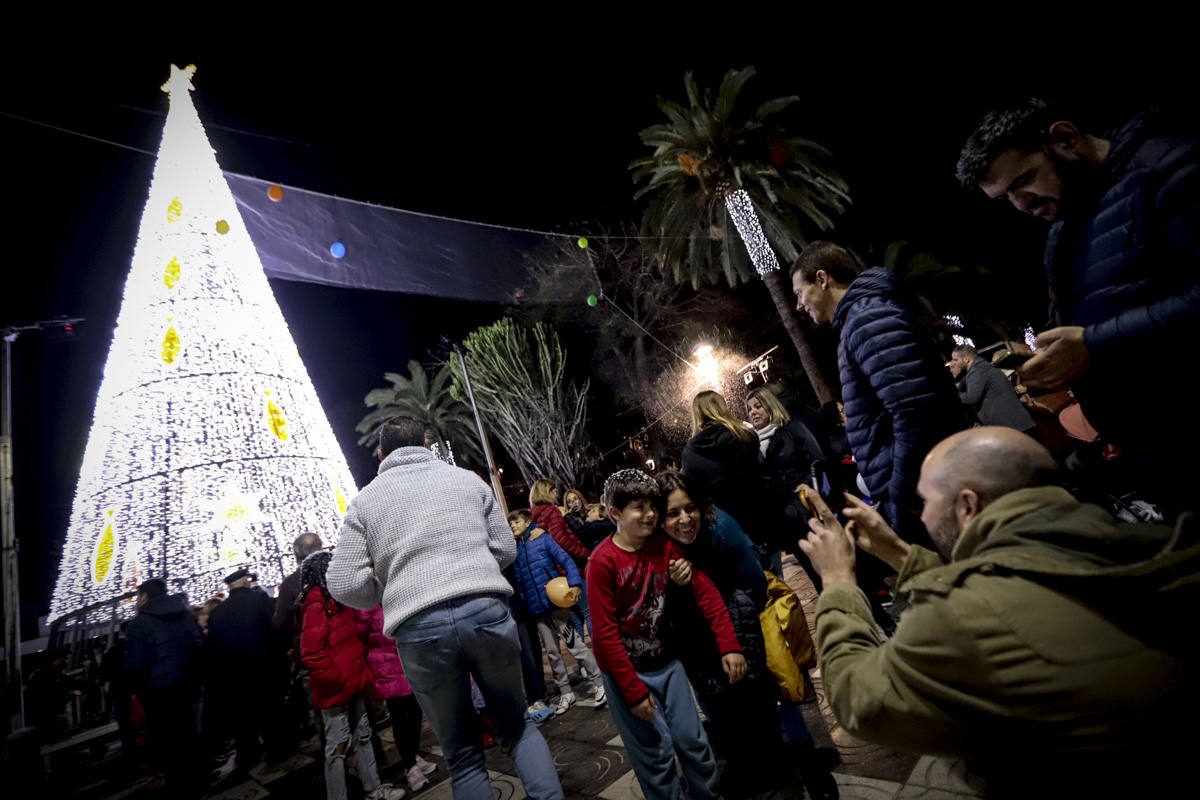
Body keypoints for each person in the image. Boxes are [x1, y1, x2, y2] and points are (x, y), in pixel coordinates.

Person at [797, 426, 1200, 797]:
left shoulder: (963, 619)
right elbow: (1011, 580)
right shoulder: (1123, 537)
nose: (922, 515)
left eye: (926, 502)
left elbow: (860, 700)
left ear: (968, 505)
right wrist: (900, 553)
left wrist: (837, 579)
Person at [956, 98, 1199, 512]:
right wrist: (1051, 362)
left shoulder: (1168, 169)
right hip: (1156, 456)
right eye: (1006, 196)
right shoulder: (1062, 230)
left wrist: (1095, 345)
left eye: (1024, 180)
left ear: (1065, 138)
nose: (1021, 204)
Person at [327, 415, 563, 800]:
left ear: (382, 454)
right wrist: (471, 566)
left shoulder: (365, 502)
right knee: (519, 728)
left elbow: (343, 583)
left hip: (420, 629)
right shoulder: (467, 481)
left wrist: (390, 588)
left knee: (463, 755)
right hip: (485, 610)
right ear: (425, 445)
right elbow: (505, 548)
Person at [655, 469, 838, 800]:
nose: (685, 519)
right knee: (721, 712)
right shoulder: (658, 549)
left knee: (777, 698)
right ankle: (751, 768)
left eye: (690, 508)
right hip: (700, 645)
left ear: (701, 506)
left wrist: (735, 634)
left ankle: (810, 769)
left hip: (745, 621)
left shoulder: (721, 529)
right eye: (673, 513)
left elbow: (754, 583)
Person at [791, 242, 967, 549]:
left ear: (822, 279)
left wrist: (899, 495)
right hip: (926, 488)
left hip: (928, 492)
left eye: (798, 293)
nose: (798, 305)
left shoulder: (866, 319)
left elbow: (913, 412)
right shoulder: (861, 319)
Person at [586, 468, 745, 800]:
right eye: (639, 508)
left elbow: (705, 592)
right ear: (615, 512)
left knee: (692, 740)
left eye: (652, 507)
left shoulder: (662, 546)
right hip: (626, 674)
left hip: (667, 664)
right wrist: (633, 692)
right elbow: (605, 636)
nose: (650, 515)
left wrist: (729, 645)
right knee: (654, 755)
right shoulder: (602, 562)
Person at [298, 552, 405, 800]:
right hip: (336, 689)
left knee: (363, 735)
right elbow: (312, 653)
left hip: (354, 682)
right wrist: (337, 680)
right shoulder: (316, 606)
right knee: (337, 747)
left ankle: (373, 787)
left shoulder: (338, 600)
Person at [506, 508, 605, 714]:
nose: (512, 526)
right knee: (552, 653)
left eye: (516, 522)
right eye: (510, 523)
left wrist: (574, 583)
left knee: (575, 645)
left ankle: (599, 683)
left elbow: (566, 560)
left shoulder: (543, 539)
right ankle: (566, 692)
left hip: (556, 605)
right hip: (537, 610)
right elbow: (520, 580)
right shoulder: (516, 550)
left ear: (527, 522)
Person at [124, 578, 205, 796]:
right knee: (189, 736)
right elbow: (199, 645)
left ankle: (180, 788)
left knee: (169, 745)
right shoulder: (185, 615)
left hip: (159, 694)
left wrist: (143, 694)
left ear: (144, 596)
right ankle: (198, 783)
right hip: (187, 686)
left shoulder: (138, 624)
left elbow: (135, 666)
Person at [204, 566, 286, 770]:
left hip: (235, 675)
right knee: (271, 712)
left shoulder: (218, 613)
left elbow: (213, 649)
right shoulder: (260, 600)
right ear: (245, 581)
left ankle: (249, 756)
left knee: (244, 718)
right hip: (265, 668)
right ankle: (277, 750)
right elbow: (276, 628)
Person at [744, 386, 826, 581]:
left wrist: (807, 488)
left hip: (811, 510)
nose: (753, 412)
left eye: (758, 406)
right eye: (749, 409)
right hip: (787, 523)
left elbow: (818, 462)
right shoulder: (752, 446)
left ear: (770, 406)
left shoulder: (792, 430)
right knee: (815, 575)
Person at [353, 604, 439, 792]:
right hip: (386, 666)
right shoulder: (367, 605)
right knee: (400, 717)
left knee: (415, 711)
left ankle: (414, 756)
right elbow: (360, 634)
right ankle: (411, 767)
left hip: (408, 657)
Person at [681, 390, 773, 559]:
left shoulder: (690, 453)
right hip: (759, 517)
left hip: (726, 528)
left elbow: (695, 494)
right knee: (773, 570)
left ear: (696, 414)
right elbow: (762, 472)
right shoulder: (744, 435)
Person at [529, 479, 591, 634]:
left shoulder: (534, 516)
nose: (557, 494)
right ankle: (600, 649)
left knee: (575, 617)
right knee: (589, 611)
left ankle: (581, 650)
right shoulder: (552, 512)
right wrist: (584, 553)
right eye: (554, 490)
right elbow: (561, 539)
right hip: (568, 570)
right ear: (547, 492)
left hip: (555, 574)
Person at [948, 345, 1037, 437]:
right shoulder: (982, 368)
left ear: (966, 359)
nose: (954, 363)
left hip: (1011, 428)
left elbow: (971, 398)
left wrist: (953, 395)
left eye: (956, 360)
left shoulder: (978, 371)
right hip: (1016, 425)